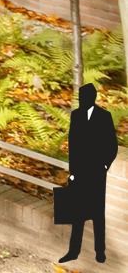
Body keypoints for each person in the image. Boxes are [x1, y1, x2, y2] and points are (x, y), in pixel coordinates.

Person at [64, 83, 116, 264]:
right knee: (77, 214)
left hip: (96, 174)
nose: (81, 100)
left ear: (92, 98)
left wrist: (104, 166)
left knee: (97, 214)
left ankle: (100, 251)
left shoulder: (104, 117)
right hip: (79, 173)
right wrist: (72, 172)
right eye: (80, 97)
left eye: (84, 97)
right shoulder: (76, 115)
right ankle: (73, 251)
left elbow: (112, 145)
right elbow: (73, 145)